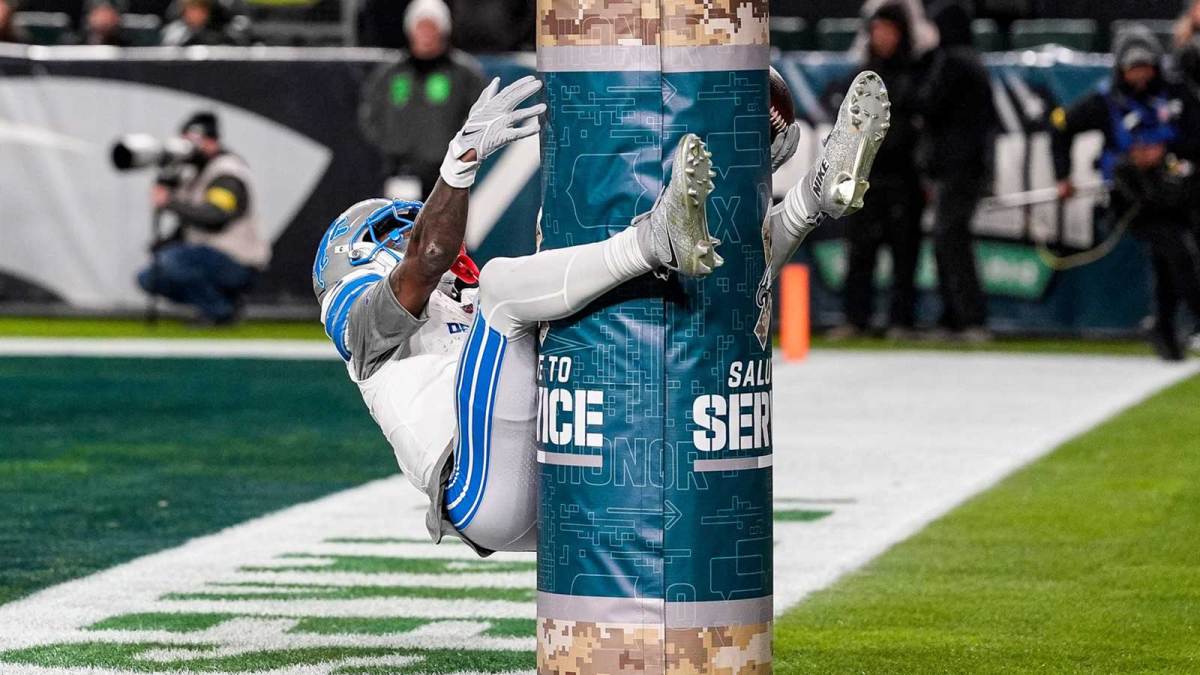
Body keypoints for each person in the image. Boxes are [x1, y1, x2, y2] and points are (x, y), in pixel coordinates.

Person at [314, 72, 890, 554]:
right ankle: (652, 241)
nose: (419, 234)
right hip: (479, 489)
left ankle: (812, 199)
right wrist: (460, 165)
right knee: (506, 285)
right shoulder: (360, 319)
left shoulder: (449, 307)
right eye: (401, 230)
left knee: (655, 290)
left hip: (563, 456)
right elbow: (430, 254)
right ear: (361, 251)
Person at [1052, 24, 1200, 361]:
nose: (1140, 75)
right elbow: (1059, 128)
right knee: (1178, 253)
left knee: (1169, 264)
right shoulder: (1105, 99)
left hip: (1181, 194)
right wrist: (1064, 176)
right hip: (1136, 200)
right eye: (1133, 67)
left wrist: (1165, 150)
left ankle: (1163, 331)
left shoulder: (1177, 92)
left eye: (1145, 65)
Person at [829, 1, 925, 340]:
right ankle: (856, 319)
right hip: (865, 176)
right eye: (877, 30)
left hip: (903, 178)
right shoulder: (862, 77)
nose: (882, 37)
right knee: (860, 251)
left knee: (904, 252)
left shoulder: (917, 74)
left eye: (889, 30)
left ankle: (901, 321)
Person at [138, 112, 270, 326]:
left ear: (211, 142)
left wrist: (170, 202)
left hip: (236, 261)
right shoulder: (195, 172)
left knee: (170, 262)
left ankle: (220, 311)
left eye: (194, 142)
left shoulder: (227, 172)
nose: (189, 149)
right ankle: (222, 303)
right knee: (150, 276)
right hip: (205, 256)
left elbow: (215, 216)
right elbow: (190, 223)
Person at [917, 0, 997, 342]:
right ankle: (954, 317)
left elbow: (928, 103)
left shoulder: (953, 62)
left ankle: (968, 318)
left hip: (957, 169)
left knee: (950, 239)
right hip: (967, 167)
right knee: (948, 239)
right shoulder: (973, 62)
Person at [358, 0, 485, 200]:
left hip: (448, 174)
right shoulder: (390, 74)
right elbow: (370, 115)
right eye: (421, 27)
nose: (426, 34)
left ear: (444, 30)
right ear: (410, 30)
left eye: (432, 27)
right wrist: (392, 146)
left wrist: (462, 153)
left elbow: (481, 117)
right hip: (401, 172)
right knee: (403, 226)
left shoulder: (463, 74)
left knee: (446, 228)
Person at [160, 0, 227, 47]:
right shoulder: (173, 31)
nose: (197, 14)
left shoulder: (217, 30)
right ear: (185, 10)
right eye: (193, 8)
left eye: (202, 9)